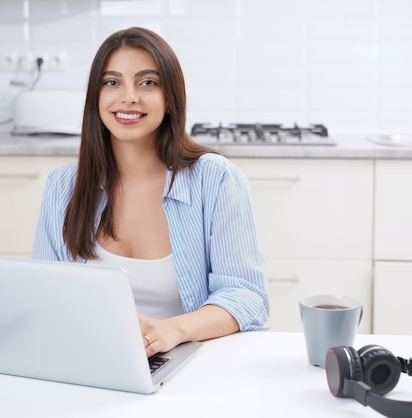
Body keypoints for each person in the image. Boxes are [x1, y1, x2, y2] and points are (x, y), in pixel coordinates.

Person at [32, 27, 269, 357]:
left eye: (147, 82)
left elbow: (246, 296)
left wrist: (173, 329)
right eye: (112, 82)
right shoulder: (63, 187)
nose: (128, 96)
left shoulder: (216, 180)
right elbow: (44, 297)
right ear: (95, 98)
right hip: (89, 359)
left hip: (189, 361)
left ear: (169, 97)